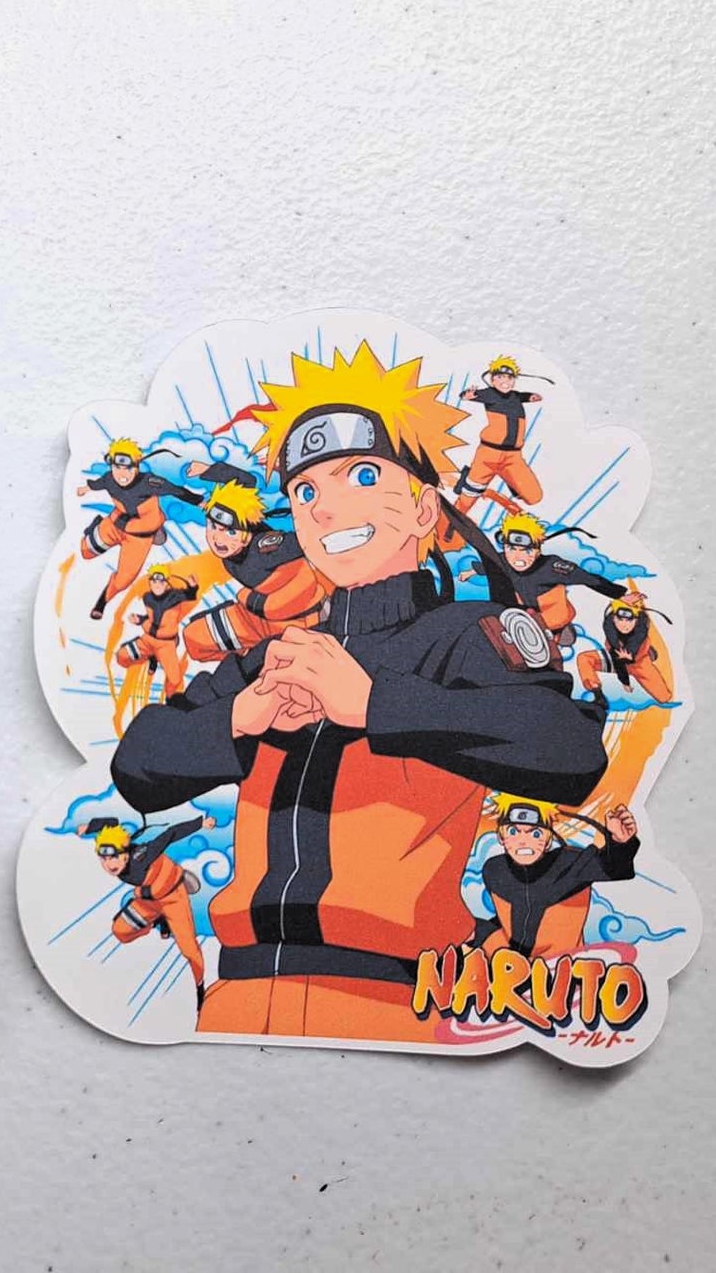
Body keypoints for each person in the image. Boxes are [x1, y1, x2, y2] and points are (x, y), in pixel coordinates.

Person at [109, 341, 609, 1044]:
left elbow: (571, 753)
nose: (326, 508)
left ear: (425, 508)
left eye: (363, 475)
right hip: (236, 999)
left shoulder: (469, 633)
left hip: (398, 1004)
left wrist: (375, 705)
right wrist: (241, 717)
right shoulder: (275, 655)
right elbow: (138, 765)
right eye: (305, 492)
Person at [179, 478, 327, 665]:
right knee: (193, 638)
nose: (218, 539)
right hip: (254, 619)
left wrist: (247, 598)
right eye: (213, 527)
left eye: (230, 532)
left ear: (248, 532)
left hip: (301, 623)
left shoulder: (267, 547)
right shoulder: (231, 552)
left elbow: (306, 542)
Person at [471, 800, 640, 958]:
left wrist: (620, 842)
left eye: (535, 833)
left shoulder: (569, 863)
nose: (523, 841)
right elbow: (507, 920)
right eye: (513, 832)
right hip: (508, 964)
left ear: (548, 840)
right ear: (501, 837)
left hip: (559, 965)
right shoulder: (495, 870)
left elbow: (611, 867)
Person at [80, 815, 209, 1009]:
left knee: (189, 950)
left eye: (114, 858)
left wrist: (200, 823)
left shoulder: (143, 855)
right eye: (103, 859)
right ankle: (158, 920)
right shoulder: (113, 852)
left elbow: (170, 834)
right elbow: (112, 822)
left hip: (172, 896)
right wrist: (90, 827)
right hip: (149, 902)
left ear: (125, 854)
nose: (109, 865)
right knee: (120, 931)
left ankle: (200, 988)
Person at [76, 441, 205, 620]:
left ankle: (101, 603)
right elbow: (98, 483)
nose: (122, 474)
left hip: (139, 538)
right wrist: (85, 488)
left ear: (136, 467)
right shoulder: (109, 479)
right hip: (115, 524)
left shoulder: (150, 482)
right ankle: (96, 525)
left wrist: (199, 501)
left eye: (128, 468)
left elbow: (176, 490)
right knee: (86, 552)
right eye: (117, 468)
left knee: (124, 580)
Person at [460, 513, 630, 647]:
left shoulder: (552, 566)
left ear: (538, 550)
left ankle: (559, 631)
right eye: (512, 549)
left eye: (527, 550)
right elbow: (491, 565)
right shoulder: (503, 560)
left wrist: (619, 595)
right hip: (522, 613)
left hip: (553, 616)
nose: (518, 557)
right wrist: (471, 572)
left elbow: (587, 578)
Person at [453, 356, 545, 517]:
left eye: (509, 378)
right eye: (500, 377)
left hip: (513, 458)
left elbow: (522, 396)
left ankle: (511, 481)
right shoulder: (489, 394)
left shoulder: (515, 396)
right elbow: (469, 395)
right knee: (468, 498)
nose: (505, 381)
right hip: (488, 456)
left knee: (534, 497)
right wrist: (467, 395)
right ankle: (452, 521)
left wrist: (531, 397)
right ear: (492, 379)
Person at [576, 591, 675, 706]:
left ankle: (648, 652)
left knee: (664, 697)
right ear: (614, 618)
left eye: (629, 620)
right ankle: (597, 693)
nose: (624, 624)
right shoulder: (609, 624)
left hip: (639, 663)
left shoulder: (641, 629)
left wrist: (630, 655)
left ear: (636, 620)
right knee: (584, 658)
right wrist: (625, 681)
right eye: (620, 619)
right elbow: (616, 656)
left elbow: (636, 640)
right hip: (615, 659)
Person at [118, 566, 200, 699]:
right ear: (150, 583)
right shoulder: (147, 598)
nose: (157, 585)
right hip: (148, 640)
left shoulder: (174, 596)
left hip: (166, 645)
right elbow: (152, 618)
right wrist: (139, 619)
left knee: (175, 679)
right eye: (154, 581)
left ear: (166, 584)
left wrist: (192, 587)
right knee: (122, 656)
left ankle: (171, 702)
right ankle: (151, 657)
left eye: (161, 582)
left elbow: (190, 595)